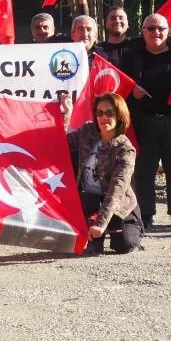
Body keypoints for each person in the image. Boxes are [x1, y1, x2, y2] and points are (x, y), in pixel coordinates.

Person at [120, 13, 171, 229]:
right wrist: (132, 92)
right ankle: (146, 215)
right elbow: (121, 87)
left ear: (168, 31)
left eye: (161, 29)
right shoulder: (133, 57)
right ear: (143, 32)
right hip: (145, 122)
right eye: (151, 29)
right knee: (144, 171)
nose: (156, 33)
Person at [60, 92, 143, 254]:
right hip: (89, 200)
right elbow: (62, 143)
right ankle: (95, 233)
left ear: (120, 115)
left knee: (125, 245)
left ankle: (131, 227)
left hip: (117, 204)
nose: (103, 117)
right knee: (91, 247)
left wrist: (101, 223)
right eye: (99, 113)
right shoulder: (87, 131)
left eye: (109, 113)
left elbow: (117, 190)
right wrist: (67, 114)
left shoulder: (125, 150)